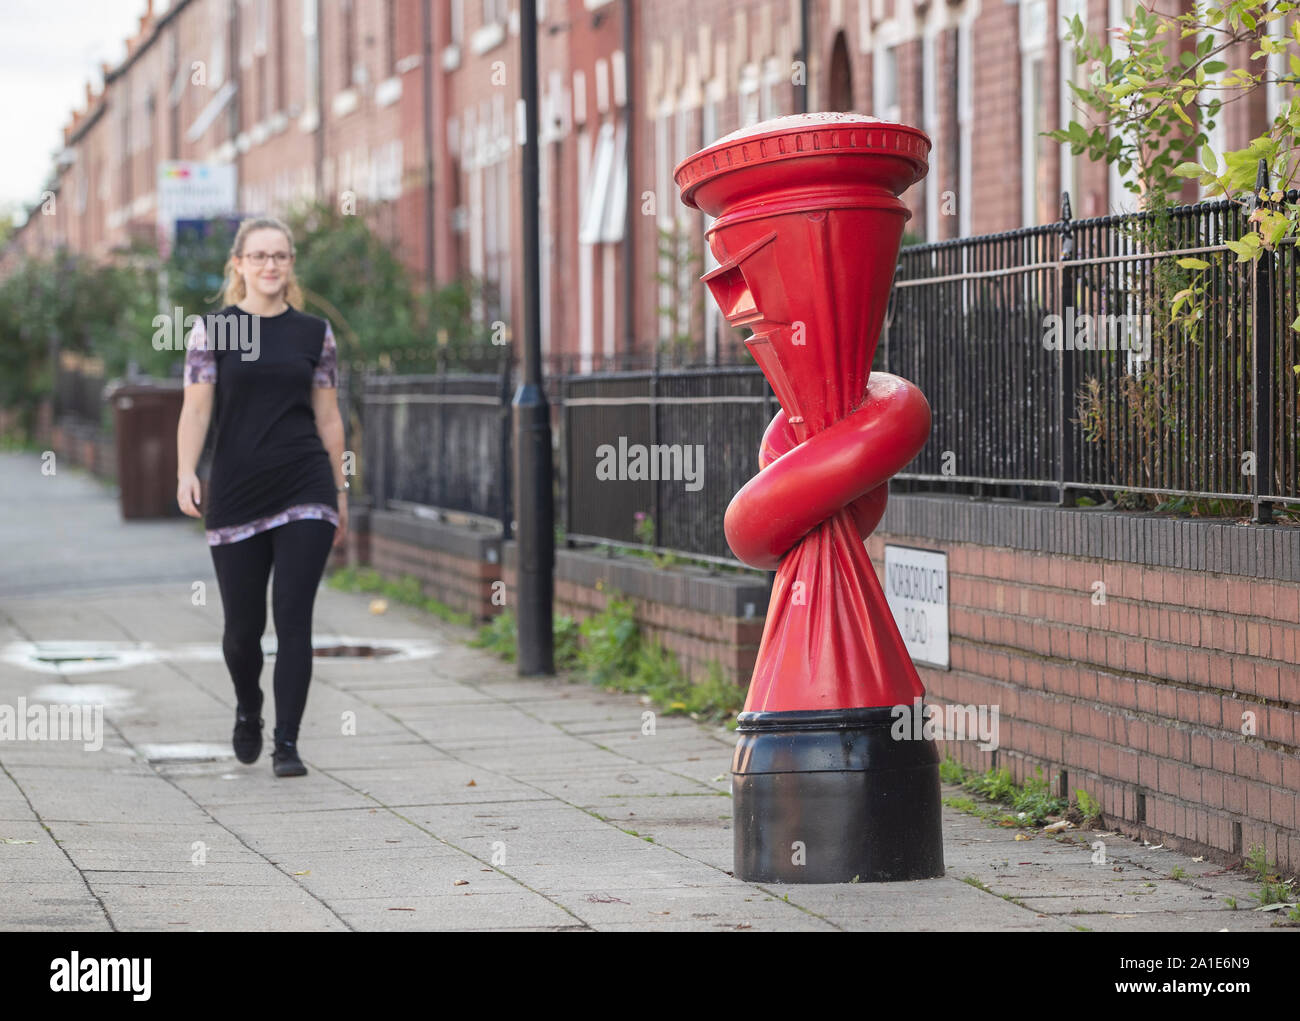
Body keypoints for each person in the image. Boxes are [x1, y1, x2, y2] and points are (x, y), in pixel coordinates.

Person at [175, 216, 349, 778]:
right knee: (241, 632)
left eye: (280, 256)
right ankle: (248, 707)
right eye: (259, 256)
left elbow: (328, 417)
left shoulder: (314, 334)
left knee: (294, 619)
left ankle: (288, 744)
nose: (270, 265)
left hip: (306, 486)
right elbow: (197, 408)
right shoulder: (214, 332)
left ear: (290, 264)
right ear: (239, 265)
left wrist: (340, 490)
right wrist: (185, 471)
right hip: (237, 488)